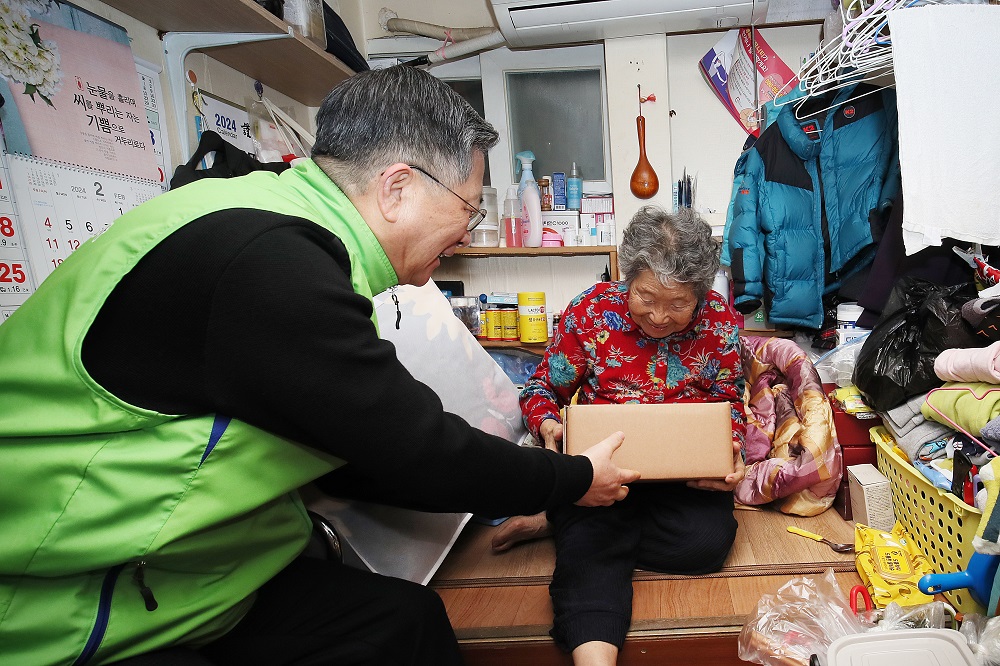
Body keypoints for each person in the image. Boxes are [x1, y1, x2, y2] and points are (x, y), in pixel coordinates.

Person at [0, 65, 640, 666]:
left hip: (199, 575)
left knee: (406, 622)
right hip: (79, 604)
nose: (468, 233)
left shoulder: (271, 219)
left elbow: (356, 446)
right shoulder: (266, 264)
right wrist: (576, 478)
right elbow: (413, 448)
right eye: (468, 208)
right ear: (397, 189)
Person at [495, 206, 747, 665]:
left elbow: (730, 402)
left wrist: (731, 455)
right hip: (603, 478)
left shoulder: (721, 323)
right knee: (592, 541)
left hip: (681, 479)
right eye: (646, 296)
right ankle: (582, 539)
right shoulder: (590, 312)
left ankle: (564, 524)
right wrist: (549, 425)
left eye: (678, 304)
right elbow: (540, 388)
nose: (658, 317)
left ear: (702, 294)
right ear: (626, 277)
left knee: (707, 543)